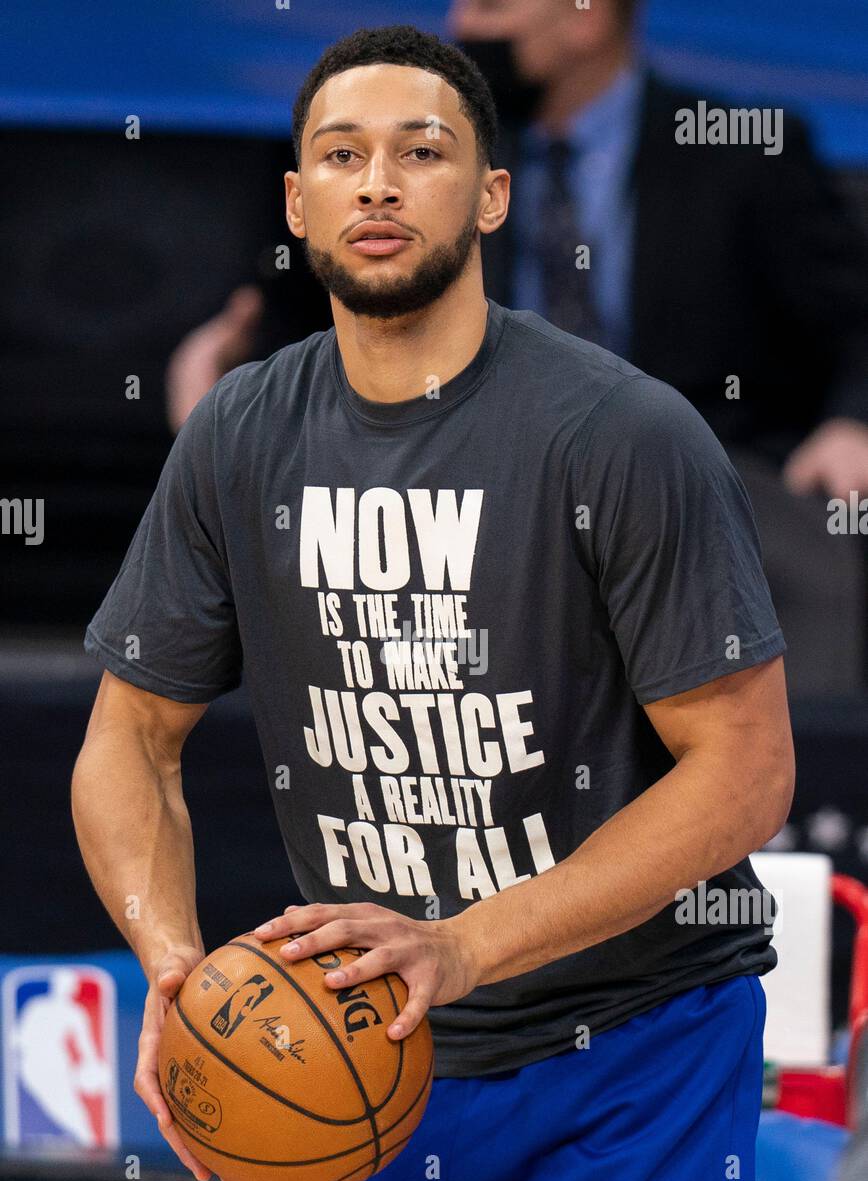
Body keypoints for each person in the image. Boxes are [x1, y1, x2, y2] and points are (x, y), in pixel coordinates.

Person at [73, 24, 795, 1181]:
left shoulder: (621, 433)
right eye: (342, 156)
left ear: (493, 194)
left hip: (623, 1061)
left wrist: (463, 944)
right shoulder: (242, 431)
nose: (379, 183)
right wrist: (175, 963)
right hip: (348, 1047)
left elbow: (741, 773)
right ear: (298, 204)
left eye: (424, 151)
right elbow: (131, 737)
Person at [168, 0, 868, 695]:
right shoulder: (428, 154)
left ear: (586, 18)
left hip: (710, 475)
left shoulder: (743, 149)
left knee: (809, 563)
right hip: (460, 475)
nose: (463, 27)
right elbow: (322, 315)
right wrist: (233, 378)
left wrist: (852, 423)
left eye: (492, 7)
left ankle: (793, 799)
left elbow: (853, 318)